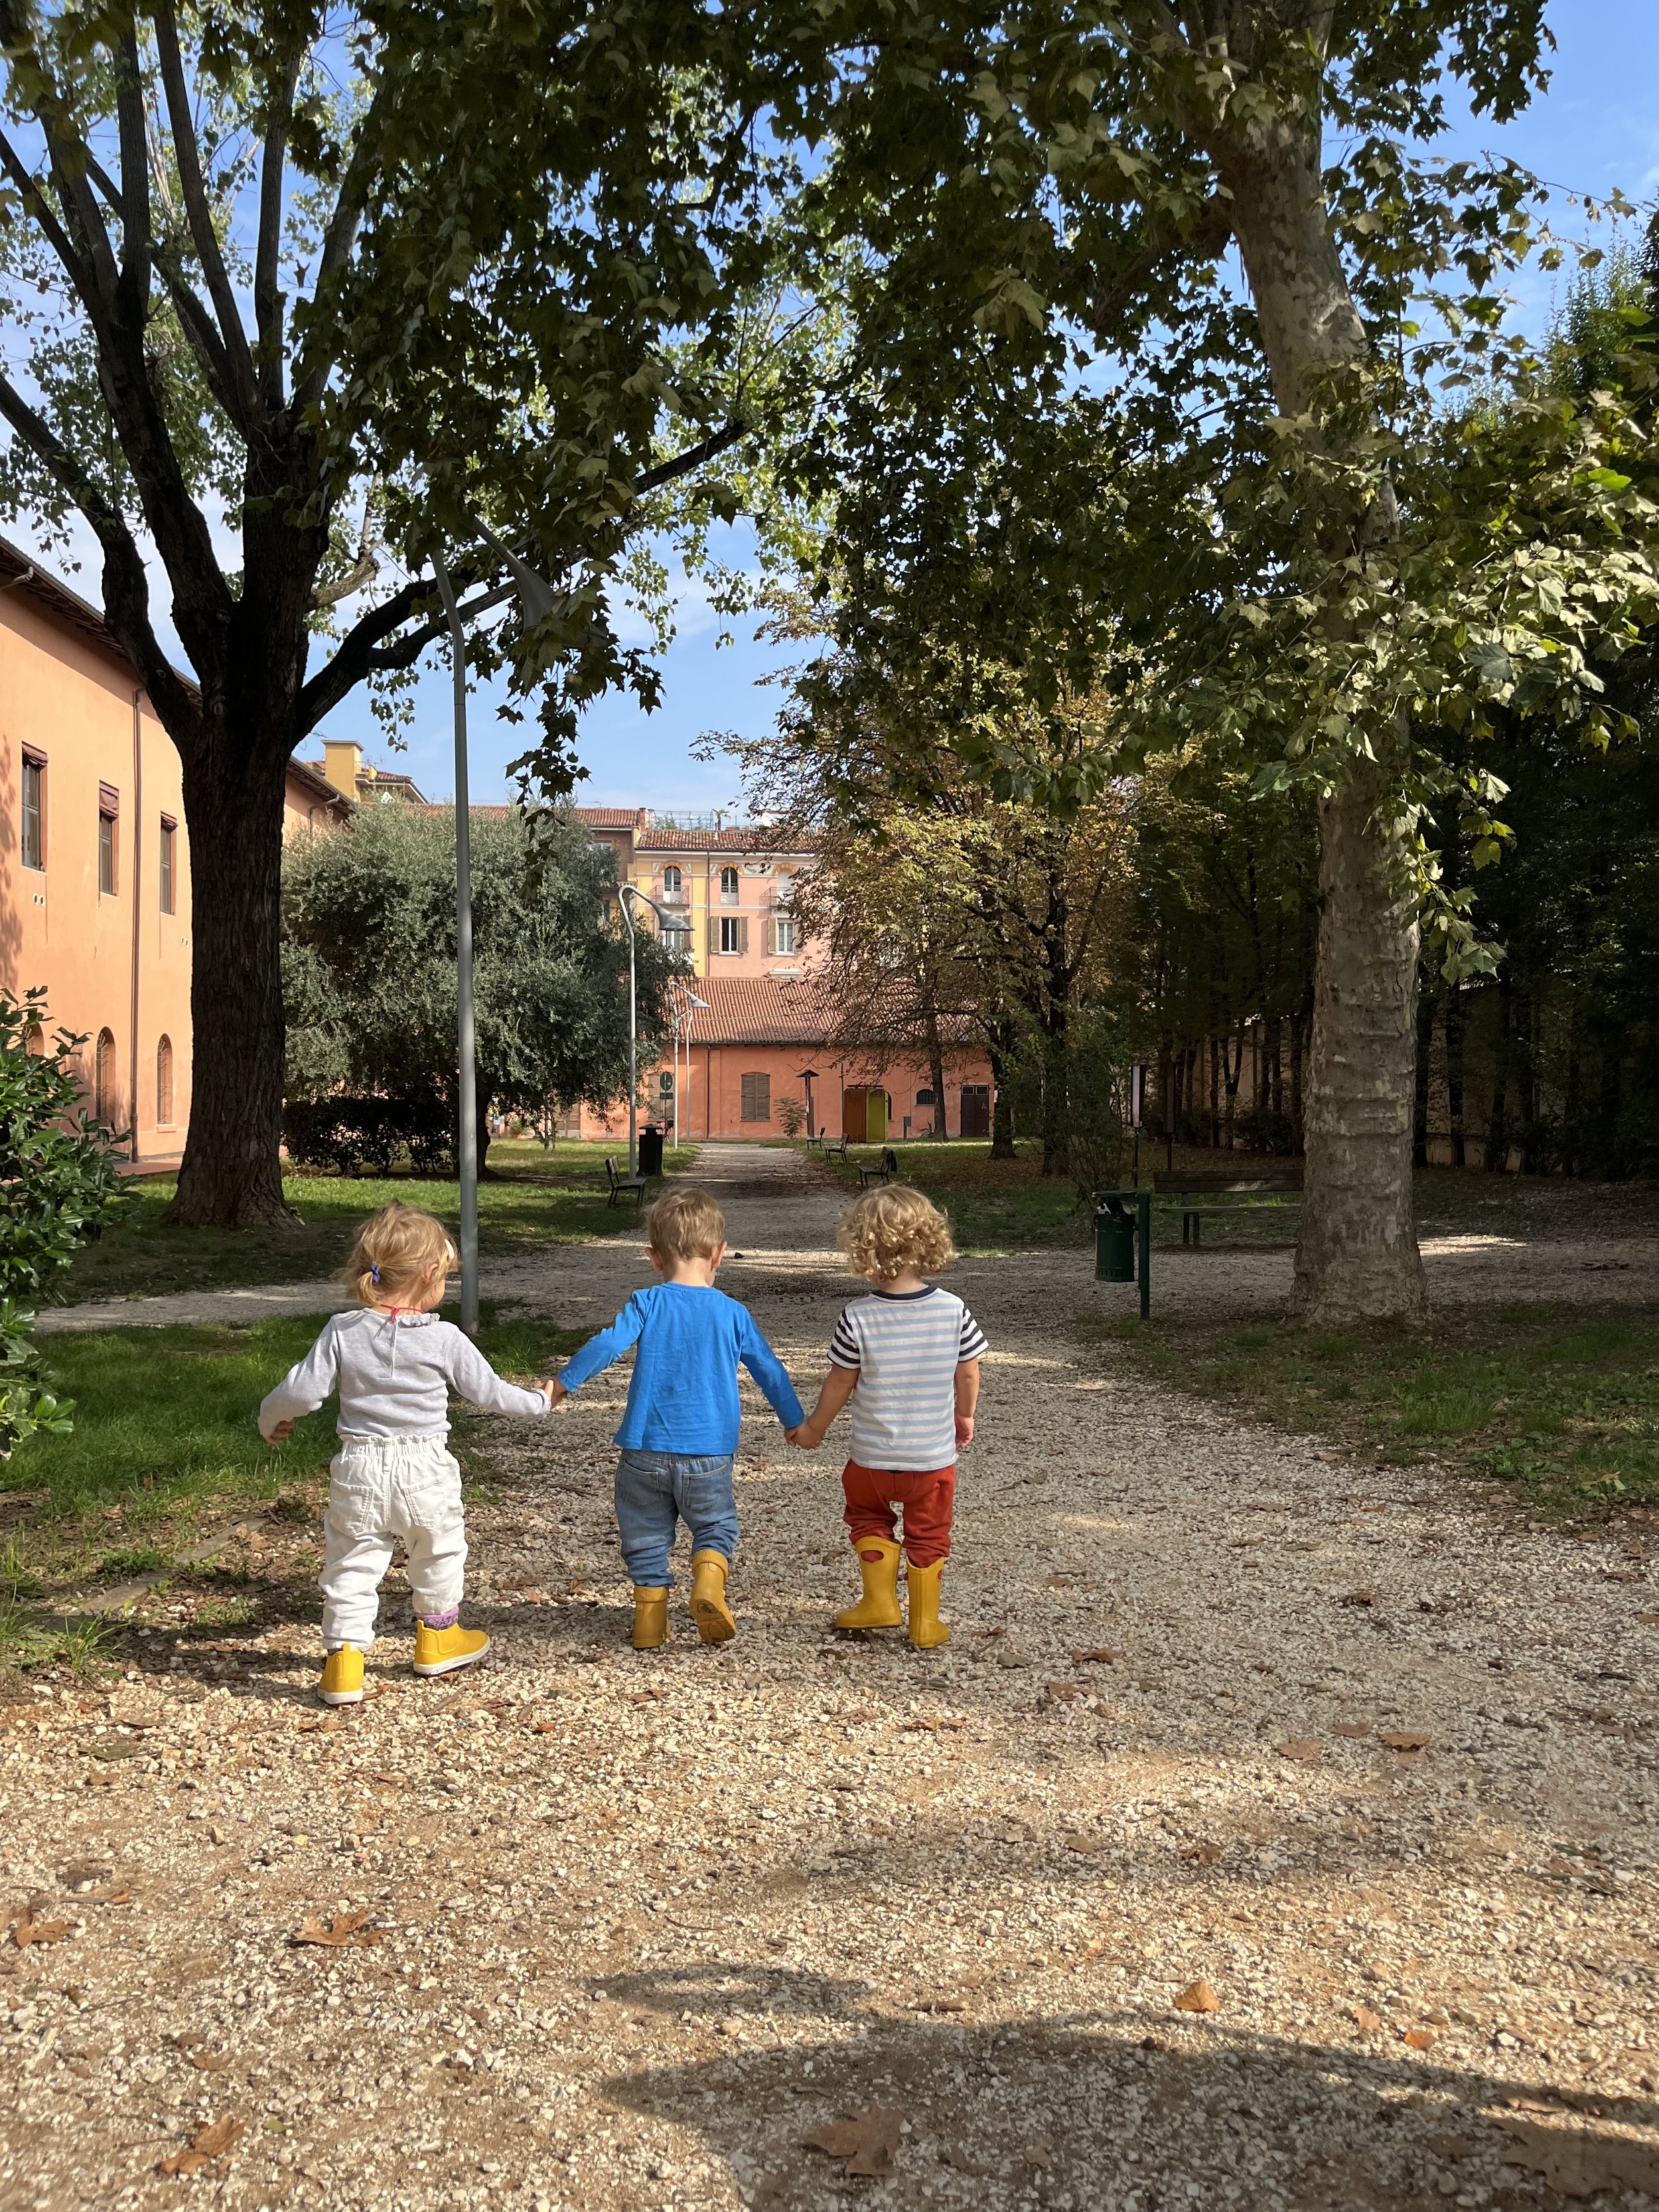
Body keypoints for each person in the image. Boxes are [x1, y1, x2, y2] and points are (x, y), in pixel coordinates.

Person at [258, 1201, 557, 1706]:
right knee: (438, 1550)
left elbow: (301, 1392)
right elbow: (489, 1392)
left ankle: (344, 1663)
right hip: (425, 1468)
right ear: (431, 1274)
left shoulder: (342, 1330)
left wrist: (271, 1417)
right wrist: (540, 1402)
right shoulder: (445, 1338)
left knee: (351, 1562)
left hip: (359, 1466)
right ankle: (438, 1637)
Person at [548, 1185, 804, 1648]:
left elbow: (607, 1344)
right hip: (709, 1451)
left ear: (653, 1256)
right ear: (720, 1253)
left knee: (644, 1533)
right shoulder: (733, 1312)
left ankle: (649, 1622)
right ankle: (707, 1582)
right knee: (715, 1525)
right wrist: (795, 1419)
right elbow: (769, 1368)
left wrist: (562, 1385)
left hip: (644, 1449)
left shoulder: (647, 1302)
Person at [792, 1185, 985, 1650]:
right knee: (930, 1532)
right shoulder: (952, 1310)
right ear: (929, 1240)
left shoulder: (857, 1316)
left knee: (867, 1517)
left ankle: (879, 1601)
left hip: (872, 1461)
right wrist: (965, 1415)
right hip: (931, 1459)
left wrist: (814, 1427)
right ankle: (925, 1622)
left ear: (863, 1248)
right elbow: (969, 1371)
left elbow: (840, 1383)